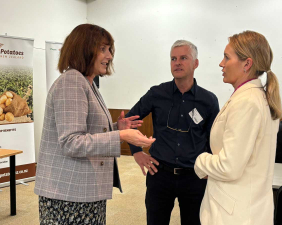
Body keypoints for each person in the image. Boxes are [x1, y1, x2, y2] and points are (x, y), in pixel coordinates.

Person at [34, 24, 155, 225]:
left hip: (82, 191)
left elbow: (88, 130)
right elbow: (71, 142)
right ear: (84, 49)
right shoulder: (72, 82)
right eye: (103, 49)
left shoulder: (87, 82)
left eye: (110, 50)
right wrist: (121, 137)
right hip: (68, 194)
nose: (109, 56)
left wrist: (117, 128)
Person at [125, 40, 219, 225]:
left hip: (194, 177)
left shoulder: (208, 100)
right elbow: (128, 121)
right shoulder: (157, 93)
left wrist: (210, 168)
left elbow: (214, 139)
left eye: (184, 58)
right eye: (173, 59)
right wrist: (136, 153)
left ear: (196, 63)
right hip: (160, 174)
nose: (177, 62)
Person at [194, 31, 282, 225]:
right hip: (245, 207)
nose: (221, 63)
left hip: (234, 214)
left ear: (247, 64)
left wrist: (200, 161)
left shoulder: (247, 102)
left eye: (227, 57)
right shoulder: (255, 97)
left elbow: (229, 167)